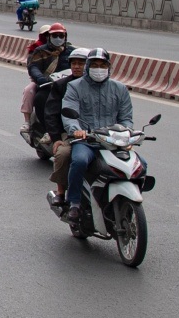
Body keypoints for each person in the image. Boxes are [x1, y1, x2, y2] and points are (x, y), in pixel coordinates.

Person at [54, 48, 134, 218]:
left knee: (140, 165)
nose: (99, 68)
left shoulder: (120, 89)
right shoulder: (74, 87)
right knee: (79, 161)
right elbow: (68, 113)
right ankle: (74, 202)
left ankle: (128, 200)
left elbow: (126, 118)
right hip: (86, 141)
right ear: (88, 66)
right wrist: (76, 131)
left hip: (112, 142)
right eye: (95, 65)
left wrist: (127, 133)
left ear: (109, 67)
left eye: (102, 65)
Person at [43, 47, 90, 203]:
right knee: (63, 154)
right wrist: (57, 137)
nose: (77, 67)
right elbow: (52, 113)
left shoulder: (105, 87)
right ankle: (61, 192)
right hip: (70, 134)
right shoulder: (62, 85)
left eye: (81, 64)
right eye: (74, 63)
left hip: (98, 133)